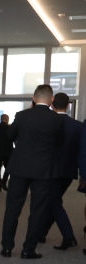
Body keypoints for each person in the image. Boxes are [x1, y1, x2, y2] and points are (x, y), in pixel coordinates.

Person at [0, 84, 64, 259]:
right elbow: (60, 143)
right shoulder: (56, 119)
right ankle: (28, 249)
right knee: (37, 210)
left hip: (19, 168)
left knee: (12, 208)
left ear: (34, 99)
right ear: (51, 100)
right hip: (44, 170)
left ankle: (7, 248)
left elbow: (10, 135)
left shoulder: (22, 115)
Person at [42, 93, 81, 250]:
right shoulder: (78, 126)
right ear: (68, 106)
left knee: (54, 201)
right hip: (69, 170)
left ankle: (69, 237)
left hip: (50, 170)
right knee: (54, 200)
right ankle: (41, 233)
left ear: (52, 104)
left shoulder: (48, 123)